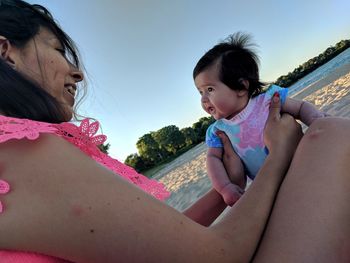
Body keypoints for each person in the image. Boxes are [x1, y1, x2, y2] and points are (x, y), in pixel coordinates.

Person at [0, 1, 350, 263]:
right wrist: (280, 155)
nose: (77, 73)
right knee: (331, 135)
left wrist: (227, 186)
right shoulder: (22, 150)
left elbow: (157, 240)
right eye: (58, 50)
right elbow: (217, 255)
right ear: (6, 52)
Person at [193, 32, 329, 206]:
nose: (203, 99)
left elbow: (301, 107)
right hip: (270, 188)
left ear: (241, 86)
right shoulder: (218, 131)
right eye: (200, 92)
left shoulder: (268, 101)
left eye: (210, 89)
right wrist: (225, 187)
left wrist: (317, 120)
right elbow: (212, 159)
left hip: (303, 166)